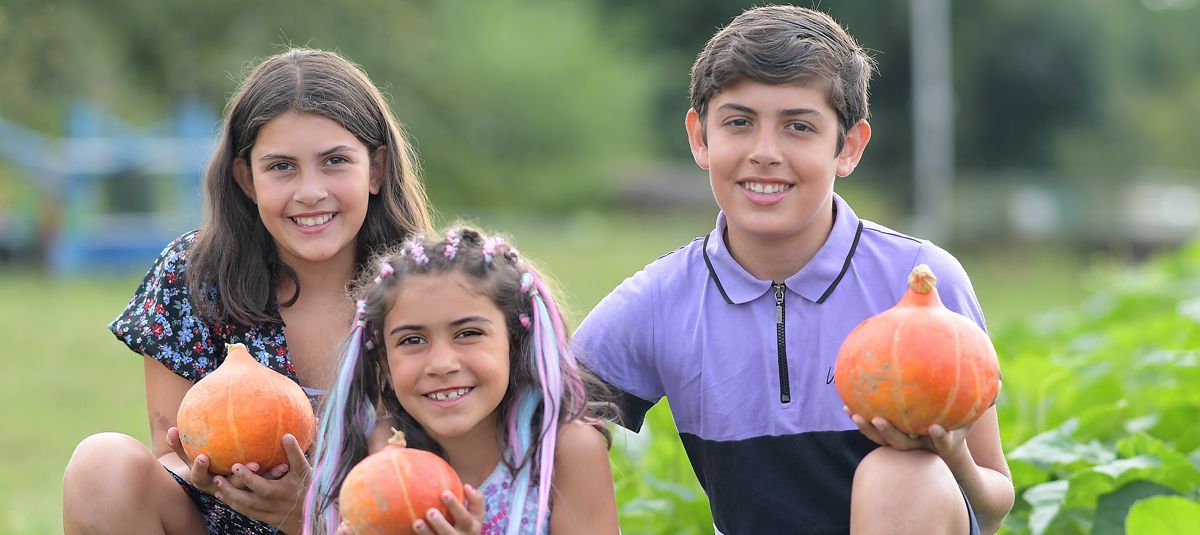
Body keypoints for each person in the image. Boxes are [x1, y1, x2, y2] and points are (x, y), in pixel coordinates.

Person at [573, 6, 1015, 534]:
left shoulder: (920, 276)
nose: (765, 153)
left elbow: (993, 503)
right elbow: (547, 419)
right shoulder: (660, 299)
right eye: (738, 123)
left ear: (847, 147)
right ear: (700, 137)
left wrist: (951, 455)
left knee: (902, 475)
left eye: (798, 127)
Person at [62, 48, 435, 534]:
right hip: (228, 523)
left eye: (335, 161)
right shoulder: (196, 273)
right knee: (101, 464)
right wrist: (226, 479)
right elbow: (171, 452)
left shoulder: (426, 285)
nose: (309, 191)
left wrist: (314, 512)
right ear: (247, 179)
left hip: (373, 523)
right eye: (281, 167)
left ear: (377, 169)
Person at [304, 228, 620, 535]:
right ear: (385, 362)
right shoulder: (383, 453)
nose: (442, 364)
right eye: (412, 340)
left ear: (513, 342)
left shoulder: (564, 453)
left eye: (468, 334)